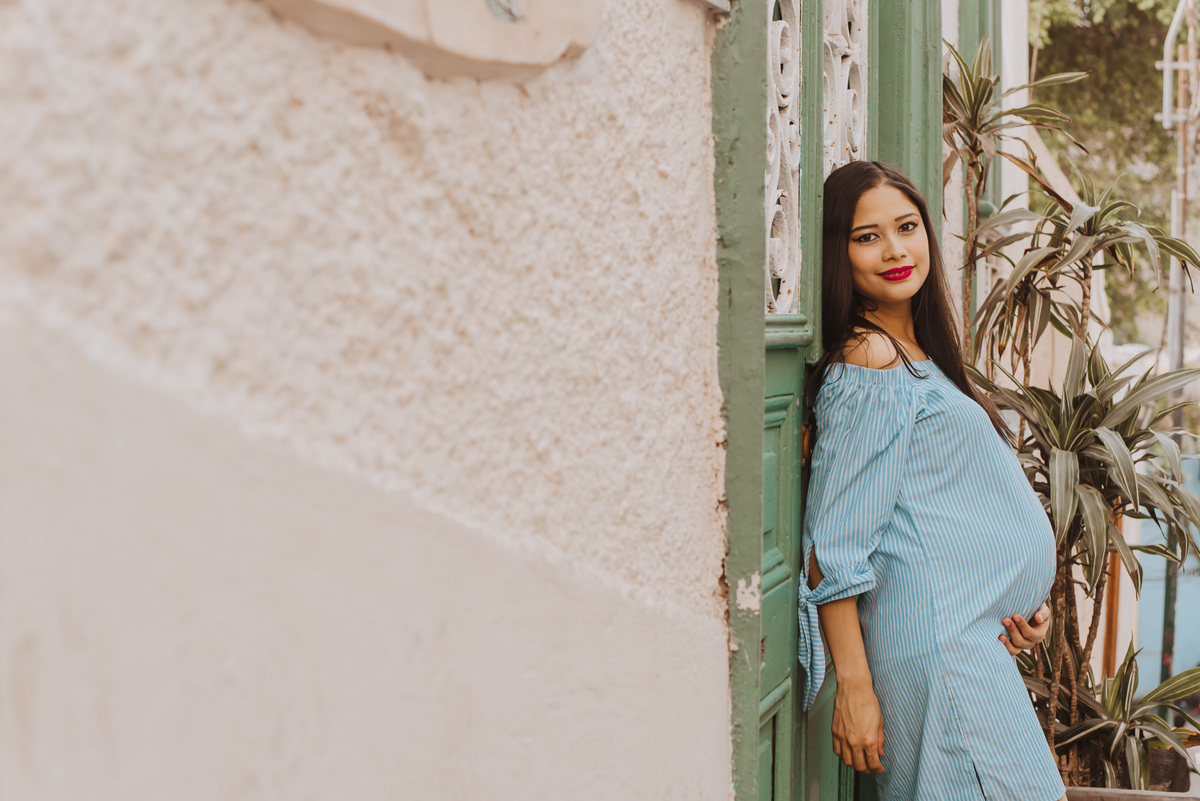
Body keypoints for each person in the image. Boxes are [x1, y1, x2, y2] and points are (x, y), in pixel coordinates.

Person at [797, 160, 1066, 801]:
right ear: (840, 252)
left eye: (907, 227)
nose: (895, 250)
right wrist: (855, 692)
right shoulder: (872, 361)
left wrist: (1022, 604)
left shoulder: (917, 358)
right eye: (867, 236)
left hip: (971, 643)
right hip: (941, 657)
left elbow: (944, 513)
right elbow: (832, 548)